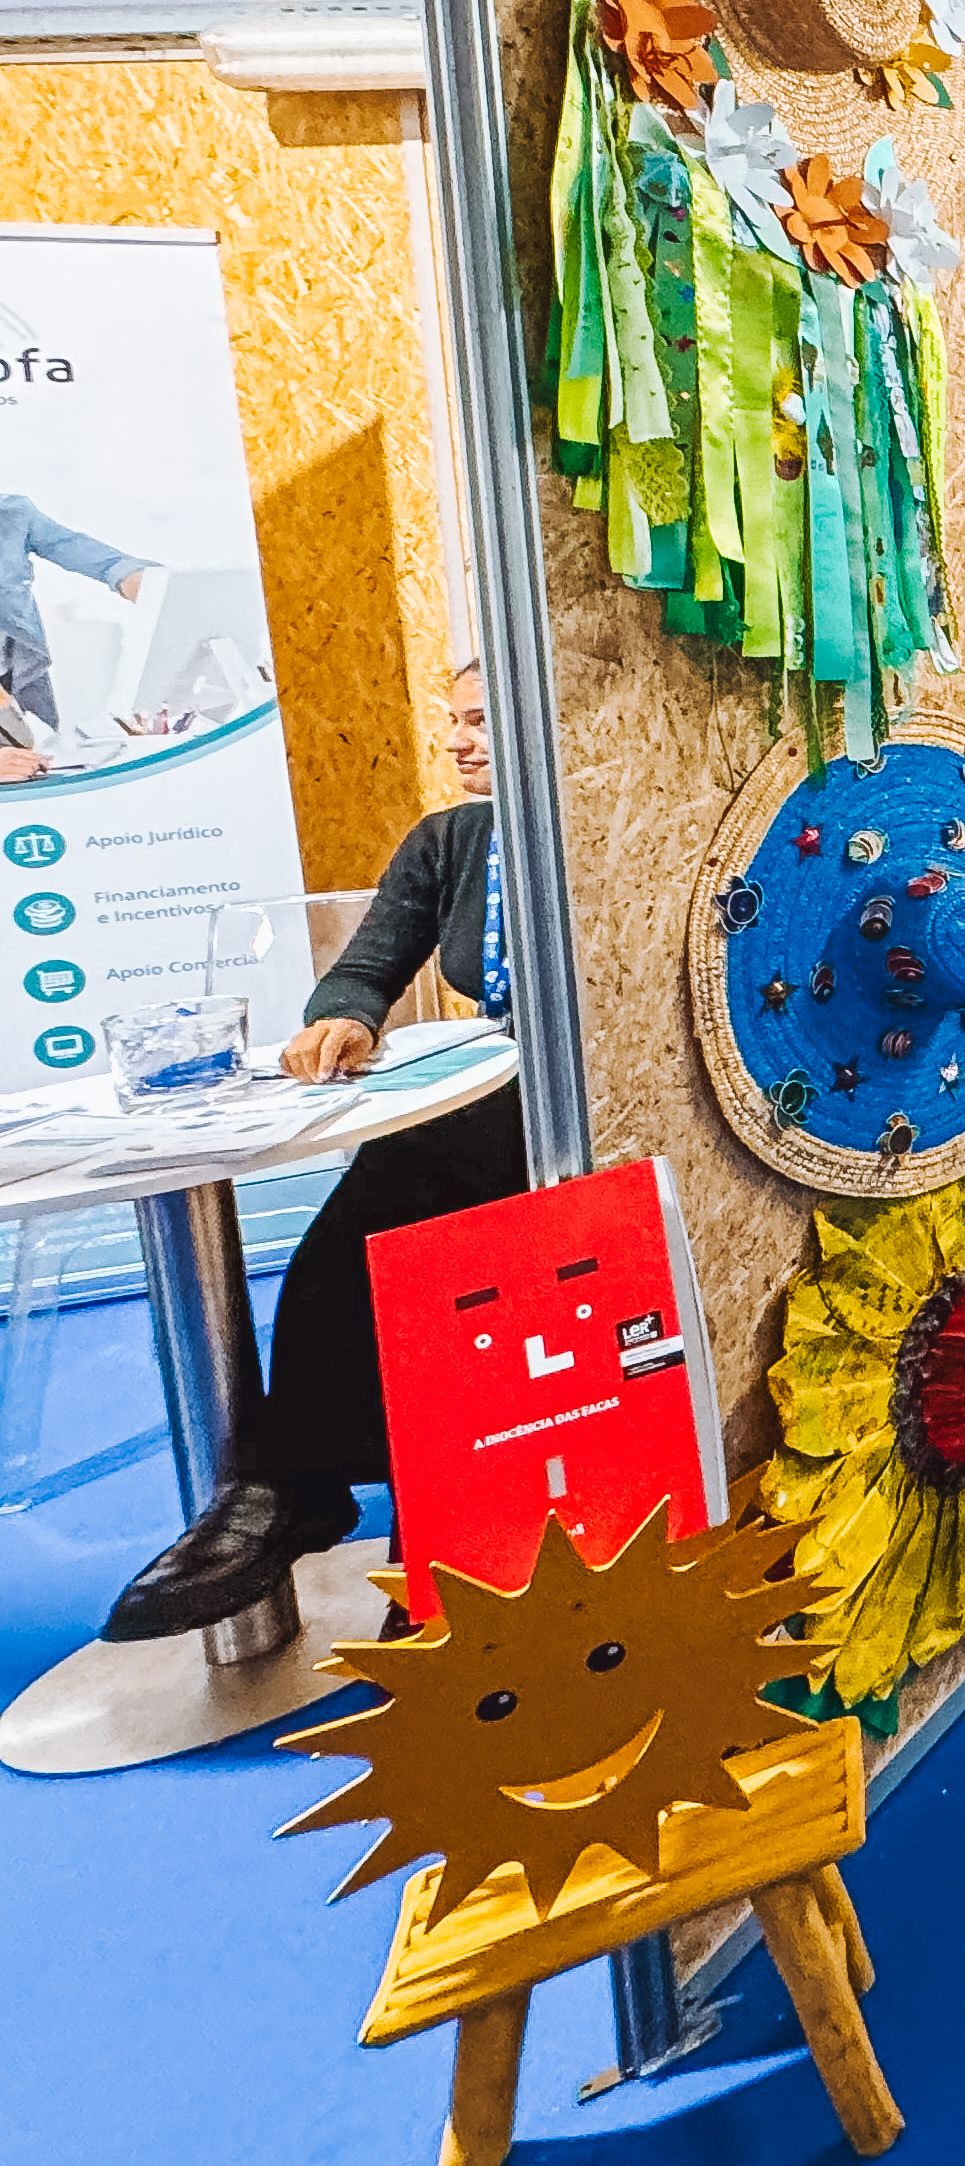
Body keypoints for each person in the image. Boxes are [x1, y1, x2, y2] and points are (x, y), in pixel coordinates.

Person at [101, 663, 528, 1641]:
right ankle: (307, 1483)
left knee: (416, 1188)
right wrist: (345, 1018)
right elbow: (367, 966)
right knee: (381, 1202)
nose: (457, 741)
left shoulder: (597, 835)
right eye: (453, 721)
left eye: (479, 721)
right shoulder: (450, 840)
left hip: (607, 1099)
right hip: (493, 1097)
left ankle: (330, 1494)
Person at [0, 492, 157, 782]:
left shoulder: (12, 513)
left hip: (18, 682)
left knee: (46, 769)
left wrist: (147, 587)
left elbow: (87, 554)